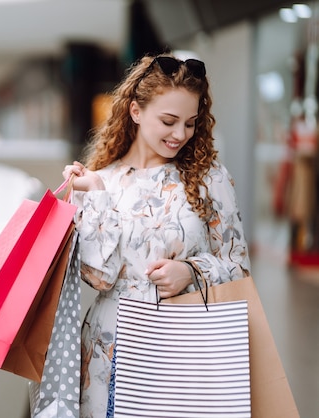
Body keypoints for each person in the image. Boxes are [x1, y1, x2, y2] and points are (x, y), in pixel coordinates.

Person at [62, 53, 252, 417]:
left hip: (186, 351)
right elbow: (99, 278)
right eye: (169, 121)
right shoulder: (102, 180)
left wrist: (191, 272)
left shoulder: (209, 177)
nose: (180, 134)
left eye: (191, 123)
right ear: (135, 111)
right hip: (112, 349)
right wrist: (96, 193)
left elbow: (239, 267)